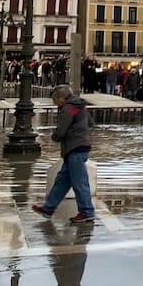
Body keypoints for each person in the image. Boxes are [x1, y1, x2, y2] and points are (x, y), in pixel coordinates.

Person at [32, 86, 95, 224]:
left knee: (80, 183)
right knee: (62, 181)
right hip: (80, 147)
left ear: (61, 98)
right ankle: (48, 208)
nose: (55, 103)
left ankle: (87, 212)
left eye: (55, 100)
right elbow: (90, 123)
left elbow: (61, 130)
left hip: (74, 148)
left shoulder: (68, 108)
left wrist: (54, 138)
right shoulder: (79, 105)